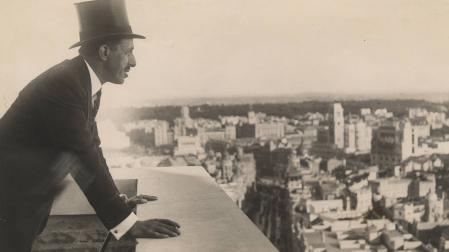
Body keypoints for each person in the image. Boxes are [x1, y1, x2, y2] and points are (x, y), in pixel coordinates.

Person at [0, 0, 180, 251]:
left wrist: (118, 201)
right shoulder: (65, 86)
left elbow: (92, 147)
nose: (134, 62)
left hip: (19, 207)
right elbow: (84, 156)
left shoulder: (81, 82)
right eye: (128, 52)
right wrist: (125, 223)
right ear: (105, 52)